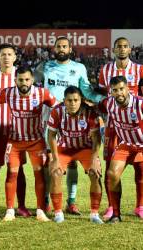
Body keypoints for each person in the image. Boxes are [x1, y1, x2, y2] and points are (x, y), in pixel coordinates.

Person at [35, 36, 104, 215]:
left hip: (72, 118)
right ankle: (46, 201)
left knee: (71, 163)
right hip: (49, 118)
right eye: (59, 46)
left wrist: (103, 100)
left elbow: (86, 89)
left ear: (70, 48)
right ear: (54, 48)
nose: (62, 49)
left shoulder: (78, 68)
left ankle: (71, 202)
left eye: (65, 46)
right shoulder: (44, 66)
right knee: (50, 162)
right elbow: (31, 85)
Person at [0, 66, 57, 222]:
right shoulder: (6, 93)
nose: (24, 83)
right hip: (14, 141)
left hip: (36, 141)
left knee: (39, 175)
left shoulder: (43, 94)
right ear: (15, 80)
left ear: (32, 80)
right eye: (20, 80)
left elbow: (58, 107)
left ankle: (41, 210)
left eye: (27, 79)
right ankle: (10, 210)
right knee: (12, 173)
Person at [0, 43, 31, 218]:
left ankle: (22, 206)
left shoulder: (21, 75)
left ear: (15, 57)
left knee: (18, 170)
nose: (6, 57)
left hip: (16, 131)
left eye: (10, 54)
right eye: (3, 54)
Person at [98, 37, 143, 220]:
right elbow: (100, 97)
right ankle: (111, 207)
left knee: (140, 171)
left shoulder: (140, 69)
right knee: (111, 167)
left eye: (125, 46)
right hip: (114, 125)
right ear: (113, 50)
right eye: (119, 47)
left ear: (130, 49)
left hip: (137, 123)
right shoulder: (105, 70)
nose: (122, 49)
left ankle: (140, 206)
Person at [47, 86, 103, 224]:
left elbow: (96, 139)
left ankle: (94, 214)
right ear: (64, 101)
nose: (72, 103)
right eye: (69, 100)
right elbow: (51, 135)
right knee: (55, 173)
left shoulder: (90, 113)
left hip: (85, 148)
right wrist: (54, 159)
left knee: (95, 173)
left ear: (81, 100)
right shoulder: (56, 112)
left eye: (75, 100)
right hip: (64, 148)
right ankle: (58, 213)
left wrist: (95, 159)